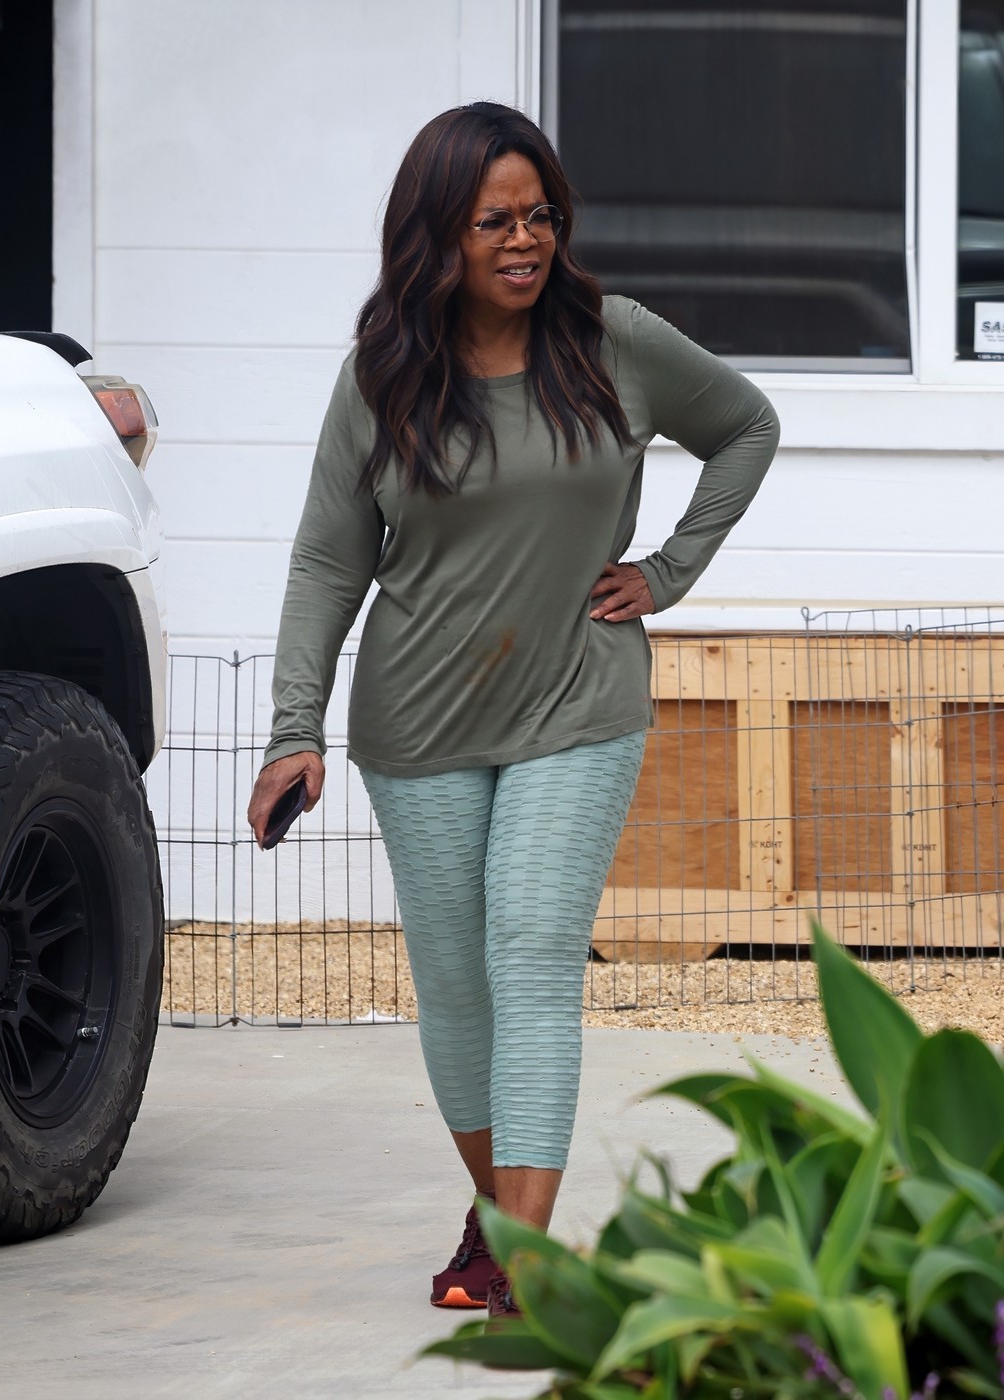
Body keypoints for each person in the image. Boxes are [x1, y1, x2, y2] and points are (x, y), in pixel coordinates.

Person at [247, 101, 779, 1319]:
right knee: (457, 986)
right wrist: (294, 728)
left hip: (576, 699)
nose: (525, 240)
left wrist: (668, 571)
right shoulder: (382, 374)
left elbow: (746, 424)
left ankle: (526, 1265)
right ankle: (497, 1221)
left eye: (540, 216)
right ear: (437, 231)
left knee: (532, 957)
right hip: (417, 721)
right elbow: (328, 560)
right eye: (495, 221)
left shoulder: (612, 341)